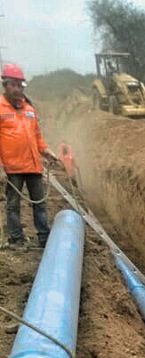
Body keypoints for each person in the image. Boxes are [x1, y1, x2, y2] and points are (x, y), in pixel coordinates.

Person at [0, 63, 58, 249]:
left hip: (33, 165)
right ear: (5, 85)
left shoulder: (29, 109)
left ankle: (44, 237)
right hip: (13, 167)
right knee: (13, 205)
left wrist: (46, 151)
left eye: (20, 85)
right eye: (13, 85)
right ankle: (16, 238)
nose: (17, 89)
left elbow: (37, 135)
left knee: (40, 204)